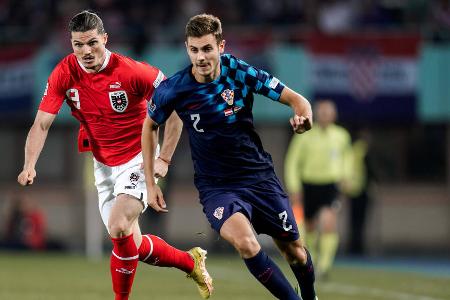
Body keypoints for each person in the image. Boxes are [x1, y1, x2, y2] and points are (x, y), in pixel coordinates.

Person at [17, 10, 213, 300]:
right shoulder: (64, 72)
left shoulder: (132, 72)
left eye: (92, 43)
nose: (85, 51)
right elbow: (42, 123)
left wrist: (164, 159)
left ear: (105, 39)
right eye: (78, 44)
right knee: (129, 243)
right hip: (103, 165)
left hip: (138, 158)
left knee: (119, 225)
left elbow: (176, 112)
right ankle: (190, 262)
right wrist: (29, 165)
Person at [142, 13, 318, 300]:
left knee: (295, 253)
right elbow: (149, 126)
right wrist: (152, 182)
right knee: (247, 244)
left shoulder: (240, 72)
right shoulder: (174, 88)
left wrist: (304, 118)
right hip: (217, 187)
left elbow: (298, 100)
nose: (200, 57)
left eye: (207, 48)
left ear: (221, 46)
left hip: (259, 176)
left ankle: (310, 295)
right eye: (194, 49)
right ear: (187, 49)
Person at [284, 99, 352, 280]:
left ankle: (325, 265)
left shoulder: (341, 136)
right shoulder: (304, 135)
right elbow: (292, 162)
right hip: (308, 185)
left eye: (328, 112)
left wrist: (346, 177)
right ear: (314, 113)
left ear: (334, 115)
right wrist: (294, 186)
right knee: (310, 226)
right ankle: (311, 258)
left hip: (331, 185)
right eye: (321, 112)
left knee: (329, 222)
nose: (325, 115)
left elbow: (347, 159)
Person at [344, 128, 376, 255]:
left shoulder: (352, 150)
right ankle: (358, 246)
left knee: (353, 220)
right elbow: (369, 170)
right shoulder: (363, 151)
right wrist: (374, 184)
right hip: (362, 190)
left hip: (352, 190)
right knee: (361, 220)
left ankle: (352, 246)